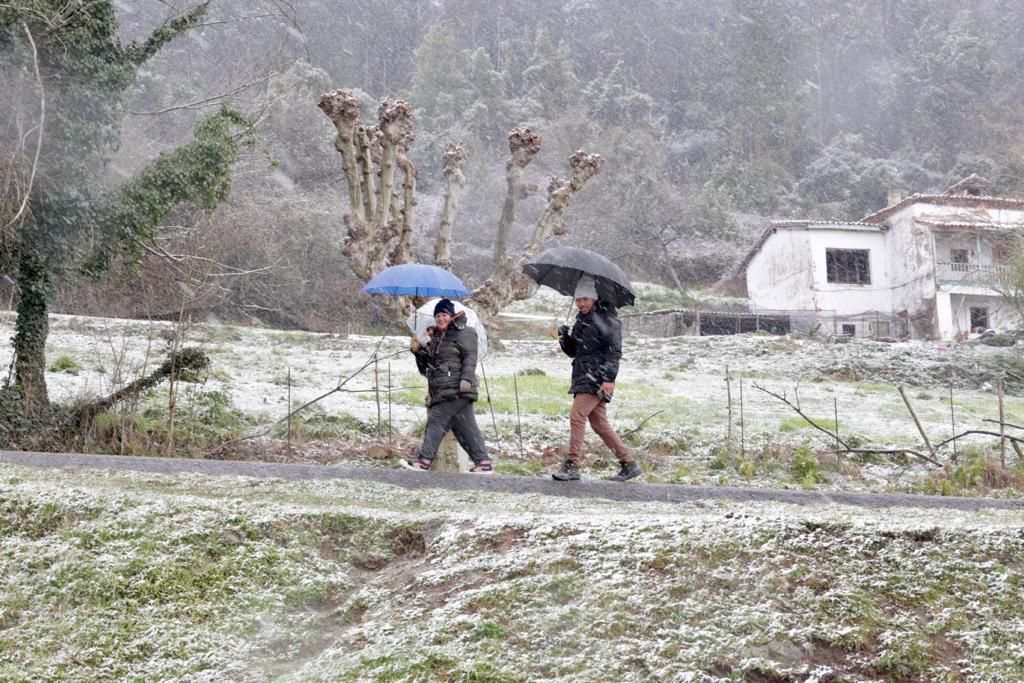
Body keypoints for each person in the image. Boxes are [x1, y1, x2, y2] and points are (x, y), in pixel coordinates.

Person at [552, 275, 641, 482]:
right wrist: (564, 338)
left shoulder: (608, 319)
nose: (581, 303)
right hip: (583, 373)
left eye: (585, 299)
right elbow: (575, 351)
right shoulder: (582, 319)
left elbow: (614, 352)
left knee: (577, 416)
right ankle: (629, 464)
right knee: (600, 424)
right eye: (578, 299)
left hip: (597, 377)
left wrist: (608, 379)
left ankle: (572, 465)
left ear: (594, 298)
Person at [404, 298, 493, 473]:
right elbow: (429, 368)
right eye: (437, 315)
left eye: (444, 314)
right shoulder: (438, 338)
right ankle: (483, 463)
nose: (440, 318)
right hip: (444, 389)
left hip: (457, 388)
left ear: (452, 316)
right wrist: (418, 351)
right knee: (465, 428)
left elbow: (470, 357)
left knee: (436, 421)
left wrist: (466, 380)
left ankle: (423, 461)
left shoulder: (465, 332)